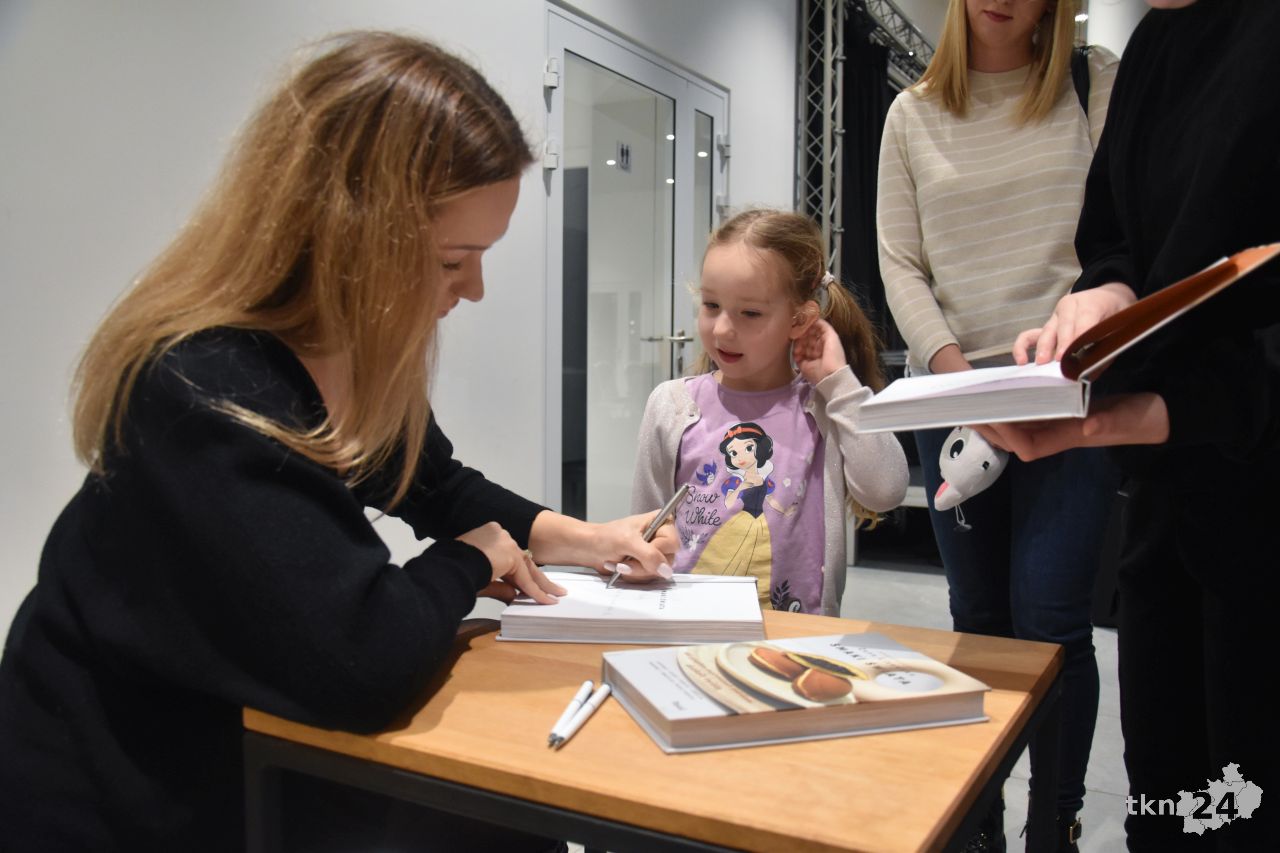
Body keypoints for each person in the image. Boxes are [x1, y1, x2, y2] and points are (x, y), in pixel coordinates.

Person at [0, 32, 677, 852]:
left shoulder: (340, 355)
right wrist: (467, 560)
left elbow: (438, 485)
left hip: (240, 745)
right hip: (123, 786)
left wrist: (589, 539)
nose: (474, 288)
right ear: (352, 236)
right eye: (453, 260)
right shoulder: (207, 390)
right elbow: (363, 658)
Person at [1001, 2, 1280, 849]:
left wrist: (1170, 409)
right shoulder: (1156, 41)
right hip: (1170, 500)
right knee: (1166, 796)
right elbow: (1119, 234)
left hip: (1259, 499)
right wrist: (1106, 293)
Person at [875, 0, 1119, 848]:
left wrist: (1061, 354)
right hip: (953, 395)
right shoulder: (910, 114)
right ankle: (980, 823)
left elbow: (1121, 240)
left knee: (1052, 619)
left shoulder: (1095, 81)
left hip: (1068, 387)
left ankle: (1055, 823)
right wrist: (961, 384)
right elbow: (900, 264)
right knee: (977, 617)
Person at [632, 209, 908, 616]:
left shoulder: (824, 407)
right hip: (689, 625)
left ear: (800, 320)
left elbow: (886, 490)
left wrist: (840, 385)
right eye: (711, 305)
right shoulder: (672, 405)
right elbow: (646, 525)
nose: (722, 329)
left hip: (800, 634)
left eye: (750, 313)